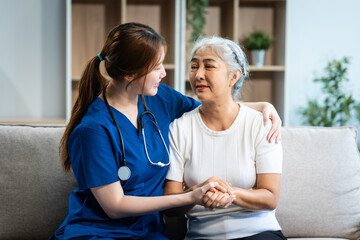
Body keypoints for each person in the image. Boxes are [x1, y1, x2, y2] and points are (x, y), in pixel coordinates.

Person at [50, 23, 282, 240]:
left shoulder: (160, 98)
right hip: (99, 231)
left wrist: (263, 106)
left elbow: (214, 107)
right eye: (157, 66)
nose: (164, 73)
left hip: (147, 231)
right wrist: (191, 196)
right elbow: (114, 207)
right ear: (130, 74)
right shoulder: (93, 129)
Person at [164, 36, 286, 240]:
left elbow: (270, 197)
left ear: (233, 76)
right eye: (194, 66)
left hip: (259, 233)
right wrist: (198, 192)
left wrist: (228, 193)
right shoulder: (180, 127)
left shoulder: (261, 123)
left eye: (209, 66)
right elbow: (170, 204)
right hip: (203, 236)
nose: (198, 75)